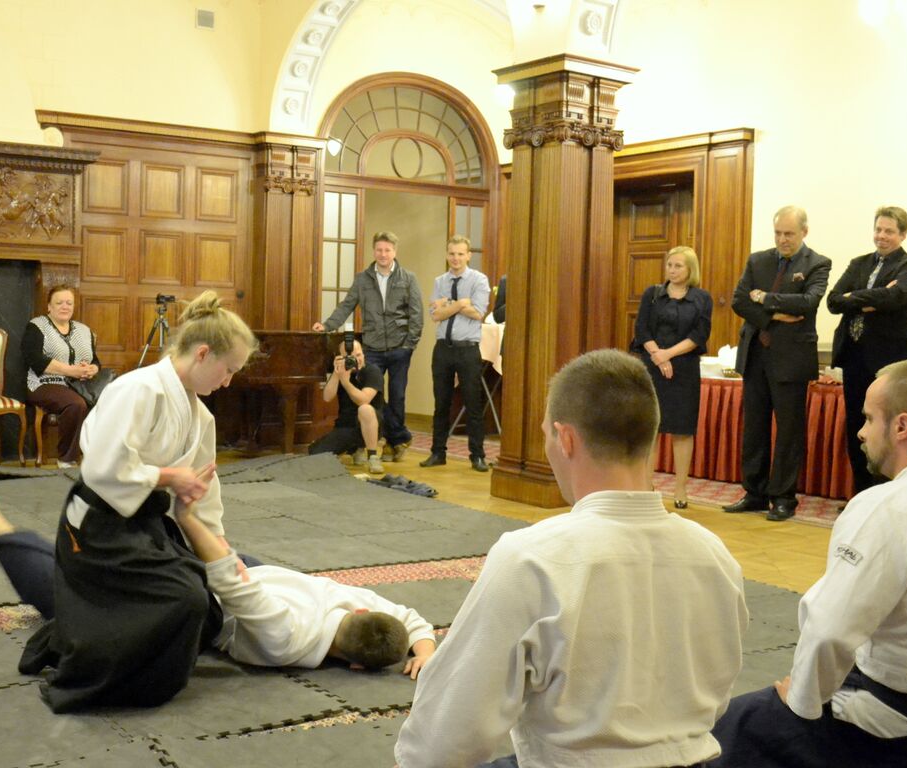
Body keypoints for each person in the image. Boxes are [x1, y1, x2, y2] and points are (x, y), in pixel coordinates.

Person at [394, 349, 748, 768]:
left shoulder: (532, 558)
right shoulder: (715, 556)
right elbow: (718, 693)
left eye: (547, 435)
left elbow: (443, 739)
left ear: (565, 439)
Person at [16, 290, 258, 712]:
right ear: (203, 353)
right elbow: (99, 468)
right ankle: (99, 671)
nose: (228, 381)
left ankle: (74, 630)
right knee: (186, 600)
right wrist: (166, 476)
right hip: (94, 525)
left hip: (142, 523)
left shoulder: (202, 417)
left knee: (208, 608)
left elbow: (204, 495)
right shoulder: (137, 389)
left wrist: (221, 552)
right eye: (228, 369)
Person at [708, 358, 907, 768]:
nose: (862, 432)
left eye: (869, 419)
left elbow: (830, 630)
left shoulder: (888, 508)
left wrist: (799, 703)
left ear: (902, 427)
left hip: (901, 717)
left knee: (736, 727)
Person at [0, 497, 437, 678]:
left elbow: (405, 616)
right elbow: (224, 577)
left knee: (94, 589)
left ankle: (5, 525)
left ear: (356, 616)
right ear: (350, 662)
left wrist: (424, 646)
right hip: (226, 589)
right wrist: (186, 516)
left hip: (250, 577)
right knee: (76, 602)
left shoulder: (354, 603)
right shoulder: (289, 638)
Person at [723, 206, 831, 521]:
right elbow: (738, 300)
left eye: (789, 234)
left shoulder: (818, 263)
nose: (783, 240)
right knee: (754, 428)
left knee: (788, 432)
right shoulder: (758, 260)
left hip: (792, 359)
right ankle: (754, 492)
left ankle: (783, 497)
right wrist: (773, 316)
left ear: (804, 232)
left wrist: (764, 298)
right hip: (756, 354)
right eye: (778, 233)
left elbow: (808, 302)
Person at [827, 206, 907, 495]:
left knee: (887, 429)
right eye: (878, 229)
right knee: (857, 427)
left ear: (903, 234)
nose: (881, 236)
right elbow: (833, 301)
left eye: (889, 231)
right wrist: (872, 300)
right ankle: (860, 495)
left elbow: (899, 295)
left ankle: (883, 495)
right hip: (854, 356)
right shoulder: (858, 263)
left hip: (887, 361)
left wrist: (854, 298)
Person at [313, 231, 423, 462]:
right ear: (374, 251)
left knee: (398, 397)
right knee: (374, 398)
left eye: (388, 250)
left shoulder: (408, 278)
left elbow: (416, 314)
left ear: (395, 252)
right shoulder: (362, 279)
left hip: (399, 347)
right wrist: (327, 325)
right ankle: (395, 438)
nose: (383, 254)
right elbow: (346, 305)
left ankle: (395, 443)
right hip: (372, 347)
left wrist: (408, 345)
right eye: (379, 250)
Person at [633, 246, 713, 508]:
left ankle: (680, 488)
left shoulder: (702, 298)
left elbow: (699, 335)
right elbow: (642, 329)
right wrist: (658, 356)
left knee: (681, 429)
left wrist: (668, 355)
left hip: (684, 368)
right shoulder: (652, 294)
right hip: (651, 366)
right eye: (669, 264)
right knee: (650, 428)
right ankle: (646, 485)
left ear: (691, 270)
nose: (672, 270)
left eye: (678, 266)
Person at [420, 236, 491, 473]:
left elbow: (478, 313)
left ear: (468, 255)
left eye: (461, 254)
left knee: (472, 403)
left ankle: (477, 456)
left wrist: (447, 305)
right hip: (443, 349)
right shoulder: (440, 281)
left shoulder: (479, 280)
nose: (456, 258)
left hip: (468, 349)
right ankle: (437, 452)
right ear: (446, 255)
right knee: (441, 403)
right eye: (452, 253)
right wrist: (460, 304)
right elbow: (435, 315)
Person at [21, 284, 100, 467]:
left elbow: (95, 360)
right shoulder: (37, 326)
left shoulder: (83, 330)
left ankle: (98, 458)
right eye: (59, 303)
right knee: (76, 404)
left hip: (80, 384)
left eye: (69, 303)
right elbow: (35, 360)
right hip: (43, 384)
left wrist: (92, 369)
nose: (65, 306)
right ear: (49, 306)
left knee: (109, 401)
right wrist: (71, 371)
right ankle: (66, 459)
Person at [309, 338, 386, 474]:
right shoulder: (341, 372)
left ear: (363, 354)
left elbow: (363, 400)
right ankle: (355, 449)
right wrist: (336, 373)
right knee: (315, 454)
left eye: (359, 355)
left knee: (365, 409)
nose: (356, 360)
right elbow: (327, 397)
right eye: (351, 357)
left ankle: (372, 456)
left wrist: (346, 383)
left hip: (371, 424)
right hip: (346, 425)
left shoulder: (372, 371)